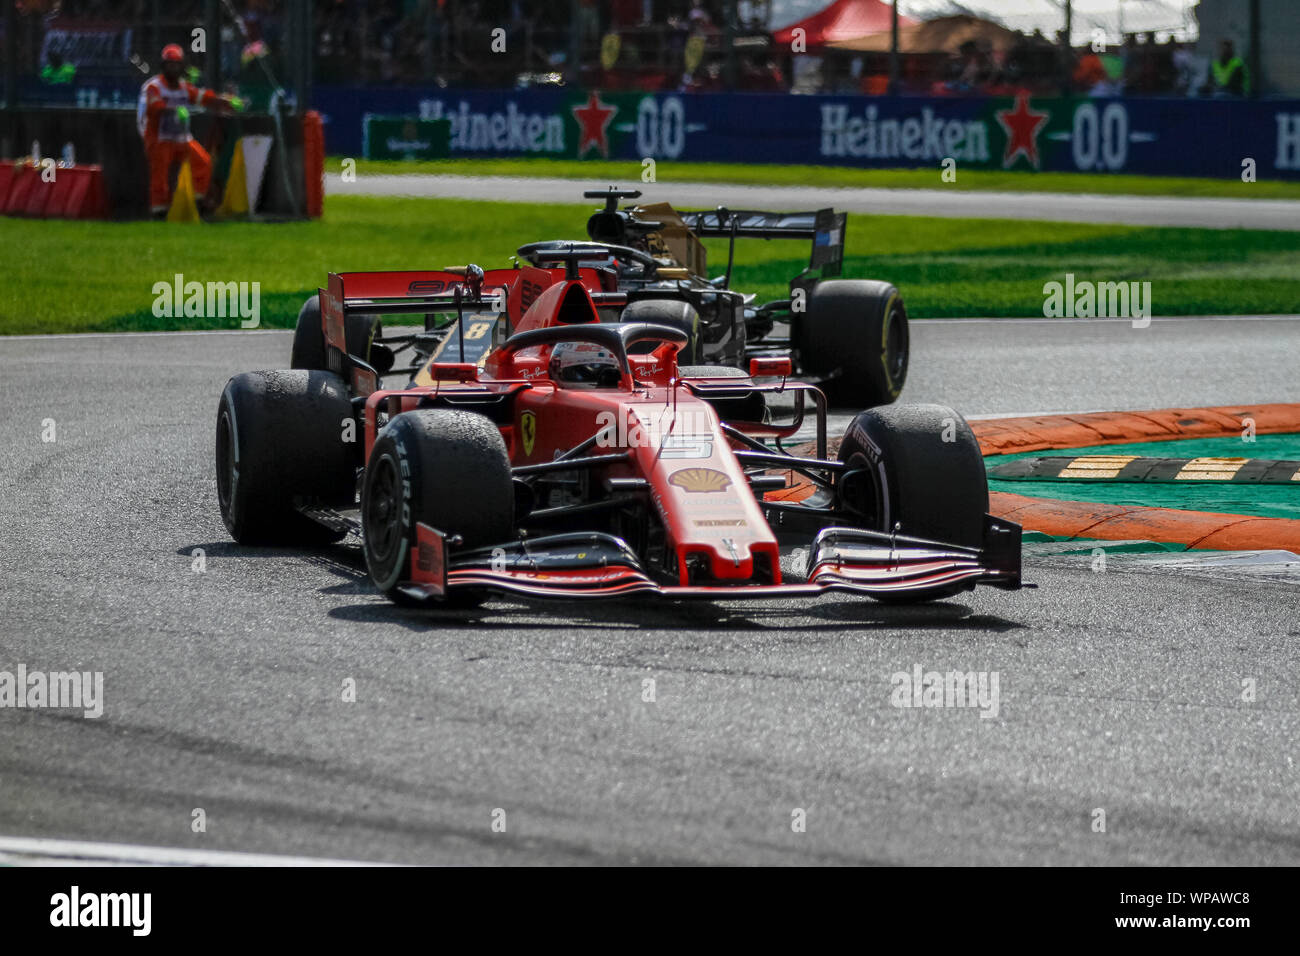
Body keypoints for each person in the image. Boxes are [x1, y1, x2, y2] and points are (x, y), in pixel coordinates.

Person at [136, 44, 240, 216]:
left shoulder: (184, 87)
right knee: (159, 177)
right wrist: (174, 111)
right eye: (170, 64)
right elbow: (155, 108)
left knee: (203, 163)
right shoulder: (154, 87)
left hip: (181, 137)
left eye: (176, 64)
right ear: (163, 66)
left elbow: (204, 98)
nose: (173, 68)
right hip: (159, 138)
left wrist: (227, 101)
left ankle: (197, 200)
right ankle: (159, 211)